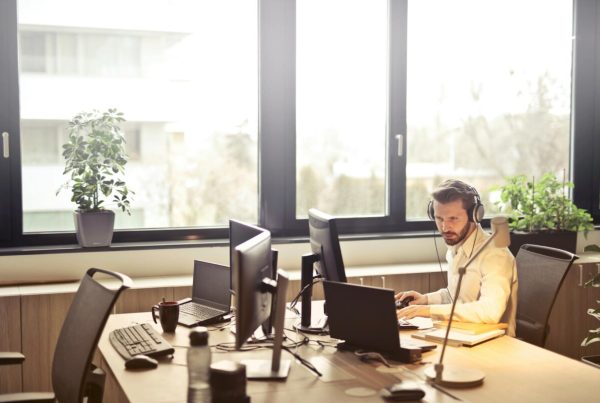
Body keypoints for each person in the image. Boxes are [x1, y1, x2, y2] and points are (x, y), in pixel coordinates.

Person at [396, 179, 518, 336]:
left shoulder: (495, 255)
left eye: (453, 219)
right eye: (439, 219)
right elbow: (456, 296)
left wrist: (428, 310)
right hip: (462, 333)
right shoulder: (456, 248)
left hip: (494, 344)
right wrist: (425, 299)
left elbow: (490, 311)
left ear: (475, 215)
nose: (445, 228)